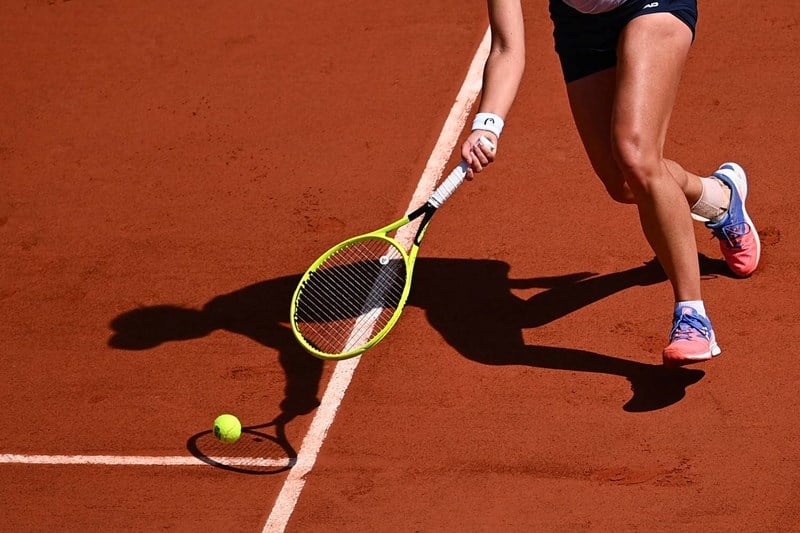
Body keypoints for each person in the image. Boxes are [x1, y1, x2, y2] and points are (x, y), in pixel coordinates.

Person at [461, 0, 760, 367]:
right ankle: (719, 199)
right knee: (624, 184)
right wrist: (486, 124)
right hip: (581, 28)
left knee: (635, 153)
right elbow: (507, 47)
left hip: (651, 5)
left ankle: (692, 316)